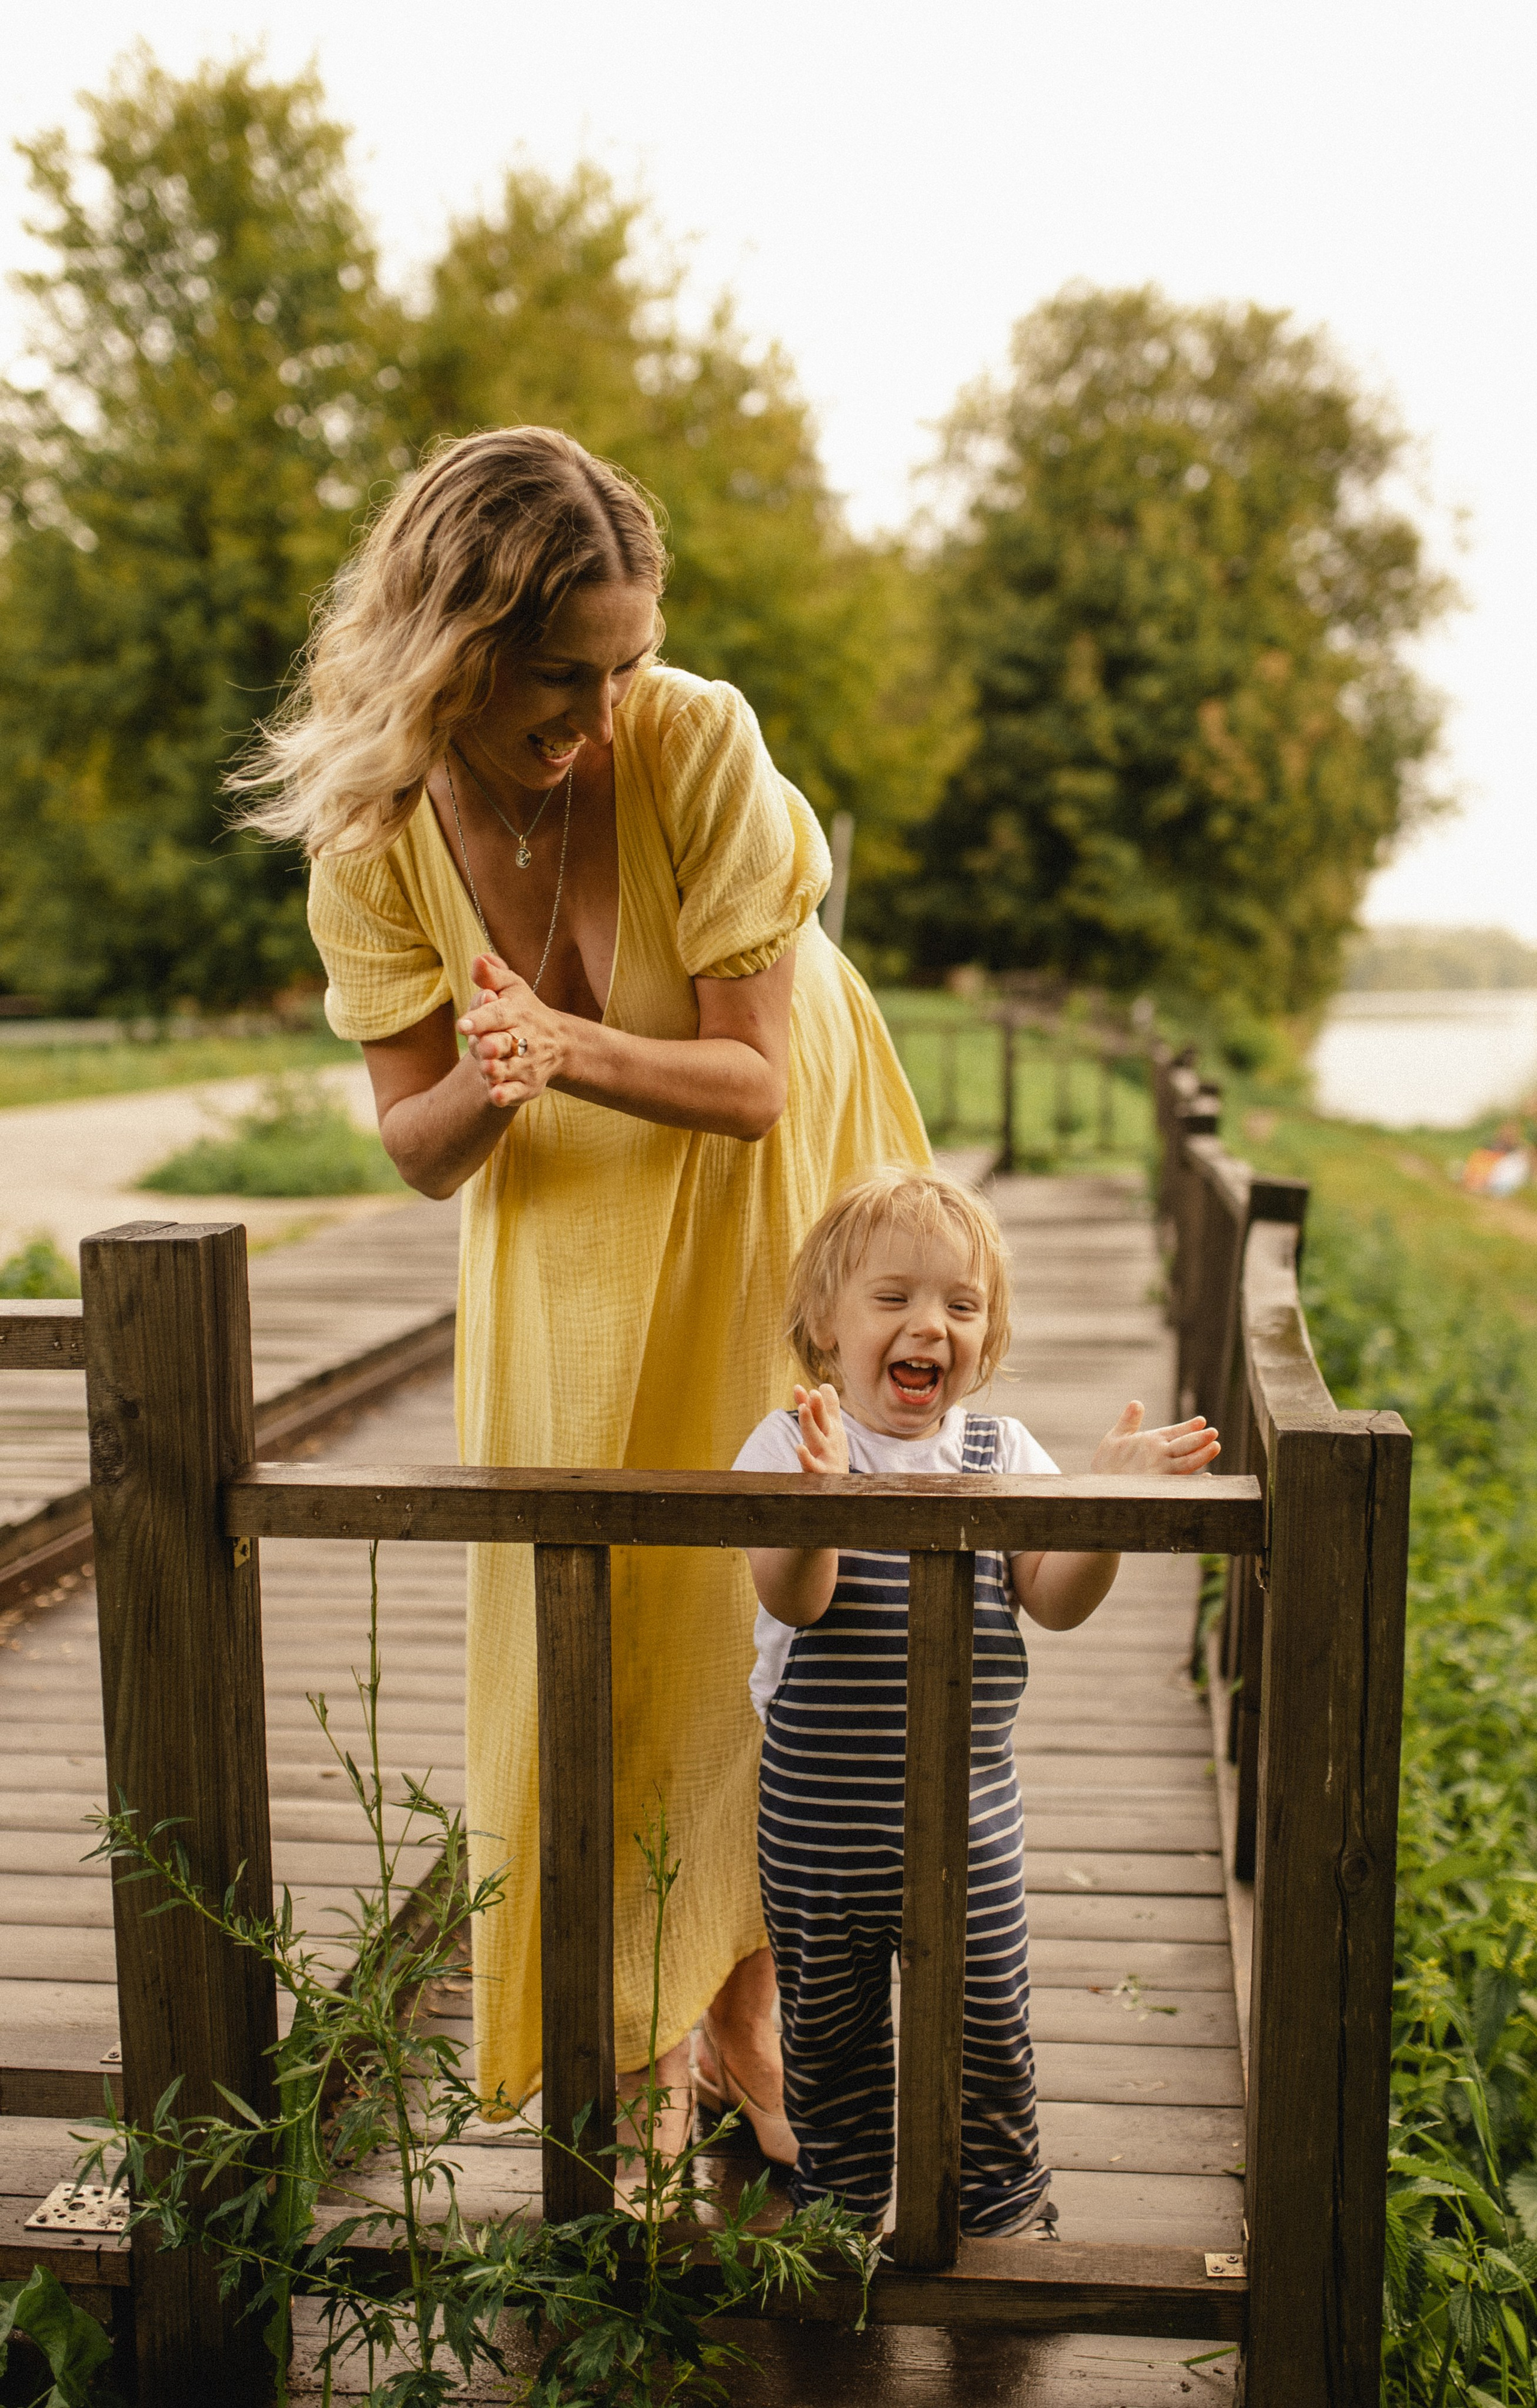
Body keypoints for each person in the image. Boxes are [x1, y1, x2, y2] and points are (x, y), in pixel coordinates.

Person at [235, 426, 929, 2158]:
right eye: (564, 675)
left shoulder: (695, 742)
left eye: (625, 663)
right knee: (590, 1591)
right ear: (450, 659)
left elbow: (753, 1079)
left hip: (765, 1147)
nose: (604, 711)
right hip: (559, 1190)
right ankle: (630, 2036)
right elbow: (419, 1140)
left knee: (764, 1570)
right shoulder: (371, 843)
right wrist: (498, 1074)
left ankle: (750, 2026)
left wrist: (562, 1038)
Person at [734, 1168, 1220, 2234]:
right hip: (821, 1821)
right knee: (830, 2030)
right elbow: (796, 1596)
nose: (930, 1327)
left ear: (988, 1335)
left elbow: (1054, 1600)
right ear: (825, 1323)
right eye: (894, 1298)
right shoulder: (789, 1447)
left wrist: (1103, 1507)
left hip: (970, 1810)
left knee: (988, 2017)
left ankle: (999, 2207)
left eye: (961, 1305)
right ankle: (843, 2201)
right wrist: (814, 1504)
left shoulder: (1007, 1455)